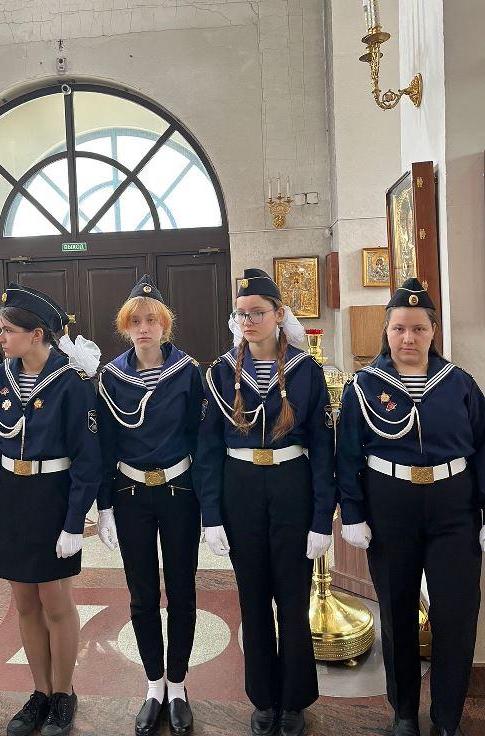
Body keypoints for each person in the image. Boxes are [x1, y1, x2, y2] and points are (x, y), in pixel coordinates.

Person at [336, 278, 485, 736]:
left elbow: (482, 449)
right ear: (387, 331)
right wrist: (353, 512)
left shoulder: (459, 384)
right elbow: (347, 453)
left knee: (455, 615)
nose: (408, 338)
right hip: (390, 507)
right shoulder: (364, 387)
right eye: (399, 328)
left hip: (453, 510)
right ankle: (403, 712)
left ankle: (447, 718)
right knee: (397, 611)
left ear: (433, 331)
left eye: (418, 328)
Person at [194, 268, 336, 736]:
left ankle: (293, 699)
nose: (248, 321)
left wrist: (322, 518)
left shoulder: (306, 370)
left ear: (279, 314)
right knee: (252, 599)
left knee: (292, 600)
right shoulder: (220, 373)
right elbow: (207, 448)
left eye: (257, 312)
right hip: (239, 489)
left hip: (292, 485)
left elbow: (323, 448)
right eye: (241, 314)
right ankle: (263, 698)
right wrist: (211, 515)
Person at [0, 283, 102, 736]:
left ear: (37, 334)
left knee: (55, 601)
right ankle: (40, 692)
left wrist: (74, 522)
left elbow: (87, 459)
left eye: (8, 330)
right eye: (0, 329)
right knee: (23, 602)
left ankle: (64, 693)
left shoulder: (72, 383)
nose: (0, 338)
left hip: (52, 497)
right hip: (10, 496)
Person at [96, 275, 204, 736]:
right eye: (135, 321)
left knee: (181, 591)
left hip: (179, 492)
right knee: (141, 595)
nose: (143, 328)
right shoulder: (111, 378)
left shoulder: (188, 372)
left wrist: (210, 509)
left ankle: (177, 685)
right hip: (131, 495)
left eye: (151, 321)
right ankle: (153, 684)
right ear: (125, 327)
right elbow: (105, 446)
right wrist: (104, 506)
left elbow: (200, 440)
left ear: (165, 325)